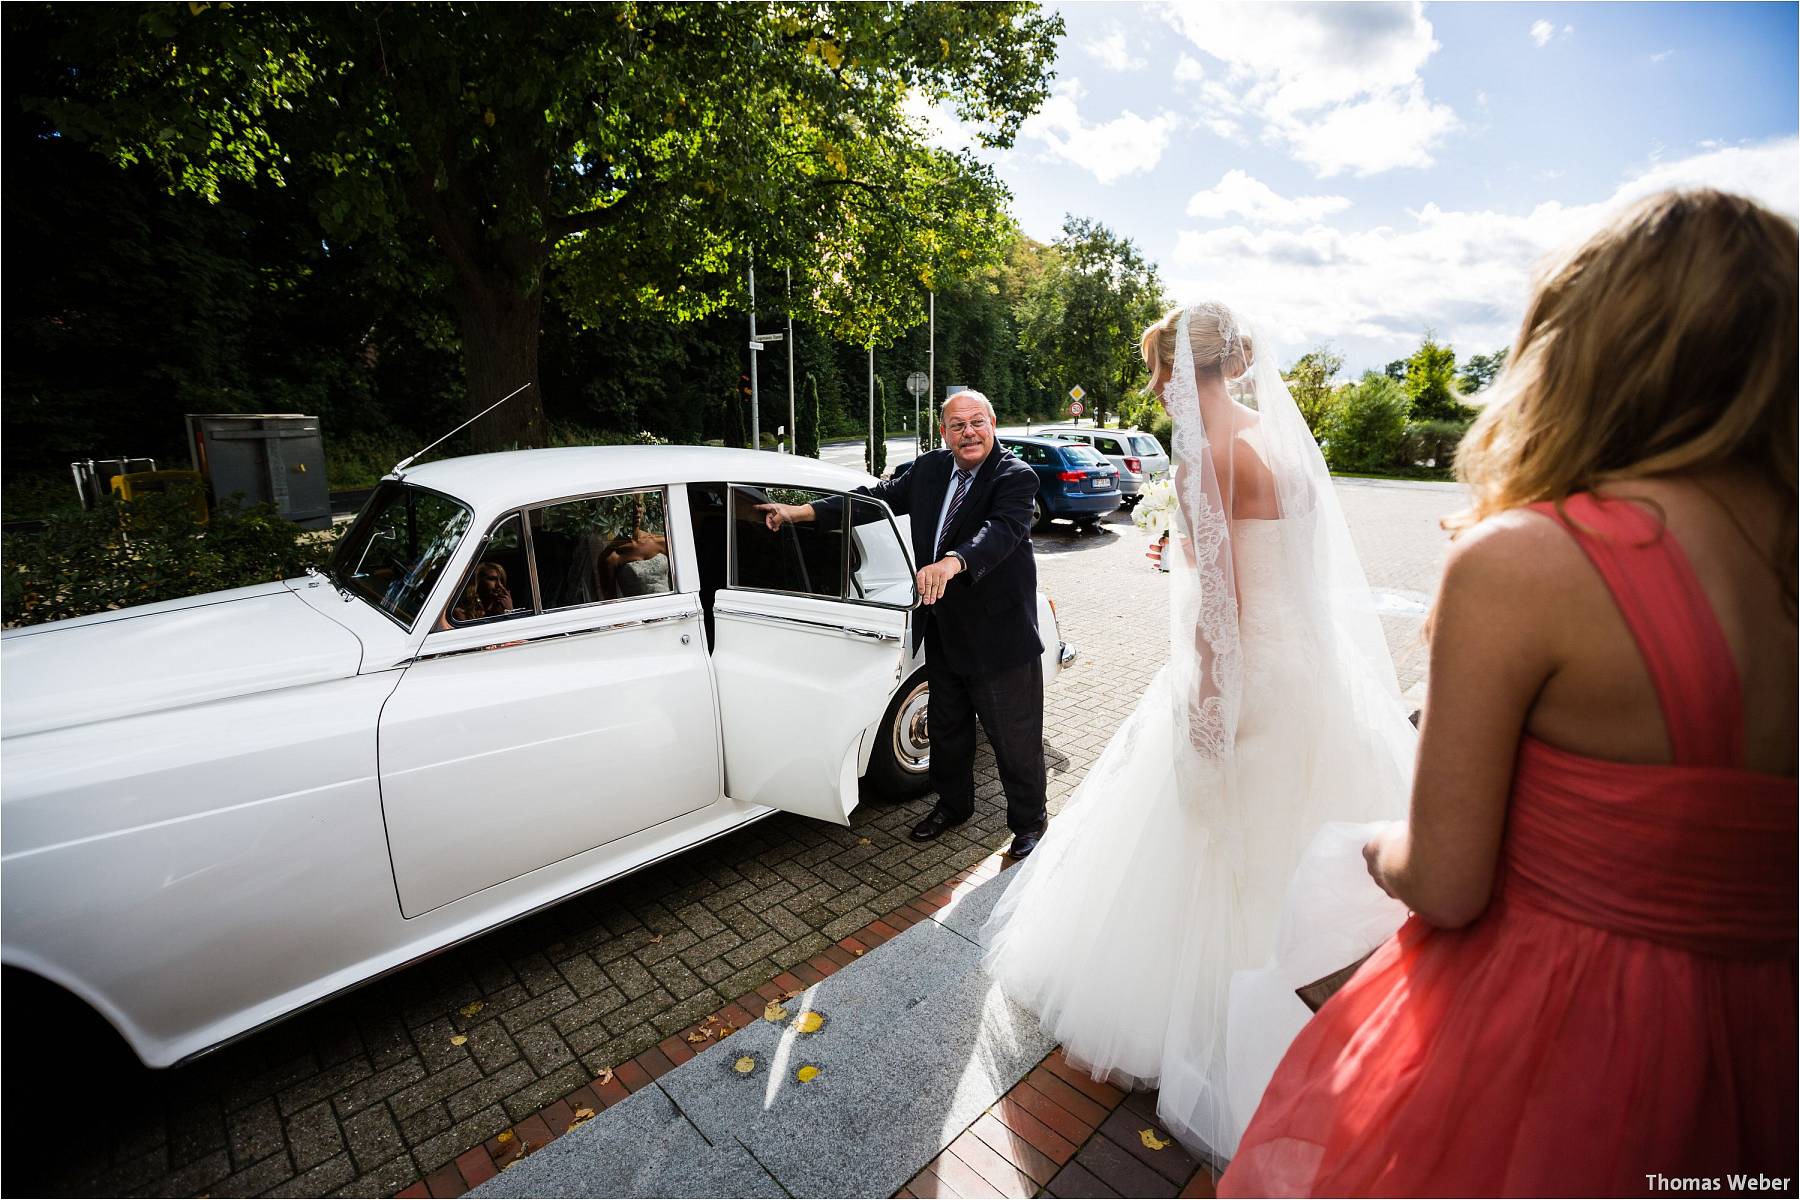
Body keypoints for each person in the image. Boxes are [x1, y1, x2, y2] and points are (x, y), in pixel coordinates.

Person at [1223, 189, 1798, 1197]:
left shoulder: (1531, 561)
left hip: (1561, 1030)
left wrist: (1366, 848)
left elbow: (1446, 882)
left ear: (1583, 343)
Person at [982, 301, 1417, 1161]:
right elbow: (1282, 565)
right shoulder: (1279, 442)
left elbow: (1222, 611)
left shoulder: (1204, 454)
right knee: (1308, 827)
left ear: (1184, 372)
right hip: (1310, 672)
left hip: (1245, 673)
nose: (1152, 386)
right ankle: (1331, 989)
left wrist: (1210, 715)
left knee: (1220, 833)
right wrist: (1185, 543)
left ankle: (1226, 1026)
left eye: (1157, 368)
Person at [757, 390, 1050, 857]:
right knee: (948, 730)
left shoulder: (1015, 476)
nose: (968, 432)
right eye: (958, 425)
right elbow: (875, 501)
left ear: (992, 424)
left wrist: (952, 562)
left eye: (977, 422)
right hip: (943, 629)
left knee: (1014, 739)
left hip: (1000, 639)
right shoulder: (931, 468)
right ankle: (953, 807)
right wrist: (801, 512)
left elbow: (1000, 533)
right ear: (944, 432)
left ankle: (1030, 823)